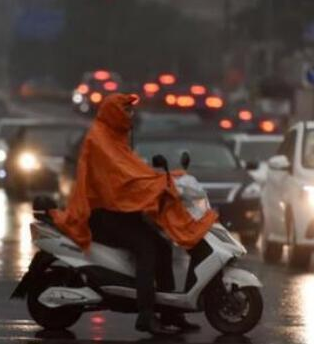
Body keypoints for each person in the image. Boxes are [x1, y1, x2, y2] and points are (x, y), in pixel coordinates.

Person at [50, 93, 217, 335]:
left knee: (164, 245)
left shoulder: (116, 138)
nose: (131, 115)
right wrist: (157, 185)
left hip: (120, 212)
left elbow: (134, 171)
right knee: (146, 247)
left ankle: (171, 313)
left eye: (131, 111)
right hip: (102, 215)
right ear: (114, 113)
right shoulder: (100, 140)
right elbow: (121, 179)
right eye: (126, 111)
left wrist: (167, 180)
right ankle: (146, 315)